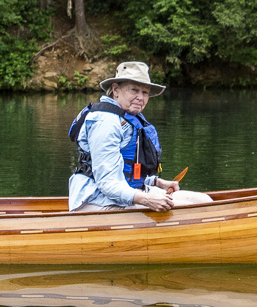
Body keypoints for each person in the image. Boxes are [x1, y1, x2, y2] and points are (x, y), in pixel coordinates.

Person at [69, 61, 212, 212]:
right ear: (116, 90)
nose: (140, 97)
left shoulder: (128, 118)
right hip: (95, 199)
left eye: (145, 92)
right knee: (191, 210)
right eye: (134, 90)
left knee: (204, 201)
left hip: (124, 193)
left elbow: (127, 170)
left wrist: (157, 182)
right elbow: (107, 183)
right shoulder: (106, 122)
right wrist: (147, 199)